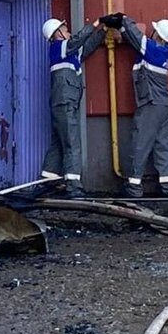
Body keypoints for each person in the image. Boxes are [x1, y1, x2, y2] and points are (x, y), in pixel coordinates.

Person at [101, 13, 168, 199]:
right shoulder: (165, 52)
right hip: (163, 105)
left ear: (158, 35)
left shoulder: (153, 49)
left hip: (150, 104)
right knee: (162, 145)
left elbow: (137, 38)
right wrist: (122, 28)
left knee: (140, 143)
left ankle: (134, 186)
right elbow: (136, 41)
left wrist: (123, 20)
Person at [41, 17, 106, 198]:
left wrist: (104, 30)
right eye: (64, 28)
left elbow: (87, 46)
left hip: (63, 104)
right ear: (57, 34)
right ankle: (73, 185)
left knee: (58, 142)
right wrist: (96, 23)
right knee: (72, 143)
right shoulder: (58, 47)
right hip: (65, 103)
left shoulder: (68, 51)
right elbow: (77, 40)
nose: (67, 29)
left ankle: (48, 179)